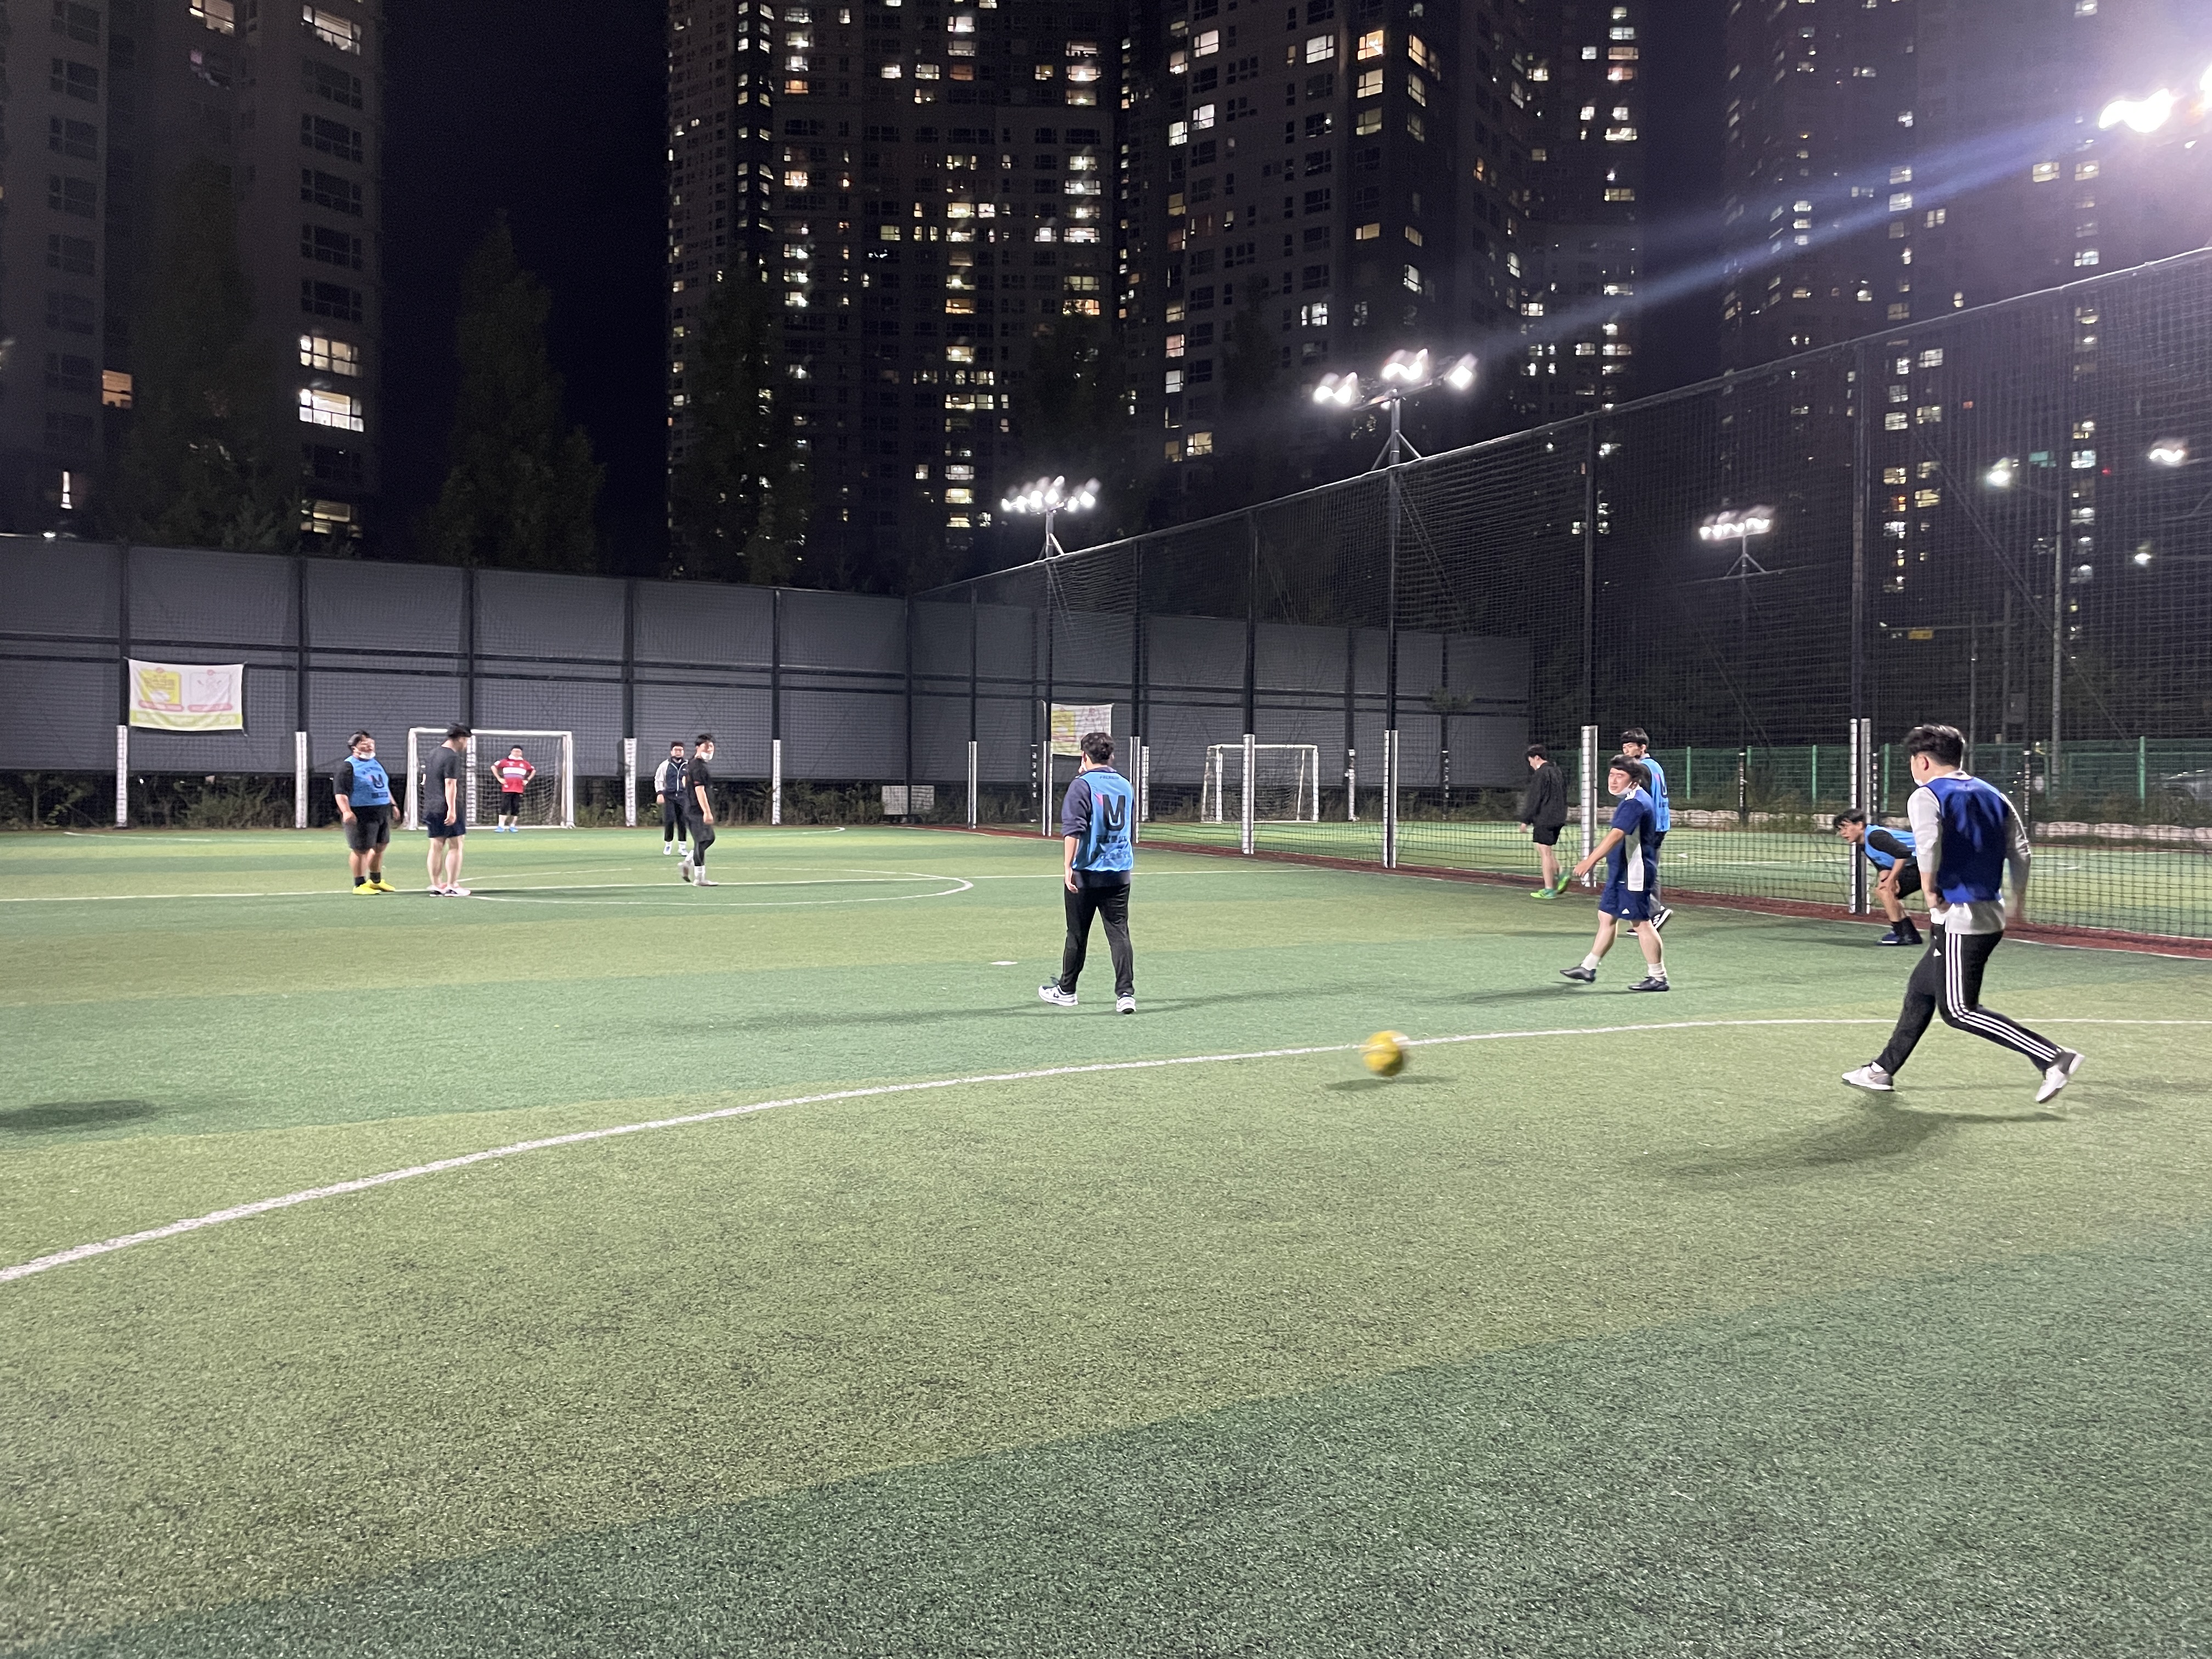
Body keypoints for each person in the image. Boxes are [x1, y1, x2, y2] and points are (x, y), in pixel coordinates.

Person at [1842, 724, 2083, 1104]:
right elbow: (2021, 850)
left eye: (1912, 760)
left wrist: (1929, 889)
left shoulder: (1926, 795)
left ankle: (2053, 1057)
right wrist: (2018, 901)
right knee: (1921, 988)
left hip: (1961, 915)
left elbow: (1928, 845)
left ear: (1922, 761)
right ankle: (1881, 1070)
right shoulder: (1993, 793)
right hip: (1987, 912)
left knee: (1958, 1010)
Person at [1039, 730, 1137, 1013]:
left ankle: (1067, 991)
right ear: (1111, 756)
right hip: (1119, 871)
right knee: (1119, 932)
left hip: (1087, 871)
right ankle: (1125, 994)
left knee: (1077, 934)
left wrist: (1068, 866)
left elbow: (1074, 830)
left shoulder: (1081, 785)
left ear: (1084, 756)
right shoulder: (1125, 785)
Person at [1558, 755, 1669, 991]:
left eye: (1620, 776)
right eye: (1612, 775)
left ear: (1634, 780)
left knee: (1641, 923)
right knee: (1606, 916)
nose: (1614, 780)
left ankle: (1658, 978)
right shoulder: (1631, 798)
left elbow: (1616, 835)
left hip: (1634, 874)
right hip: (1621, 872)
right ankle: (1588, 967)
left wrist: (1590, 861)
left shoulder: (1635, 803)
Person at [1833, 808, 1923, 946]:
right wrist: (1885, 882)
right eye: (1840, 830)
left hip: (1934, 862)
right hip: (1918, 865)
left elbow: (1903, 854)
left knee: (1887, 891)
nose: (1842, 833)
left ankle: (1901, 934)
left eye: (1845, 828)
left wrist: (1892, 880)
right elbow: (1883, 866)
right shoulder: (1863, 843)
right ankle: (1908, 934)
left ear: (1860, 825)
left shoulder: (1876, 837)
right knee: (1883, 891)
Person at [1619, 727, 1672, 930]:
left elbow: (1642, 801)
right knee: (1647, 870)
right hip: (1661, 824)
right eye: (1624, 747)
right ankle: (1650, 917)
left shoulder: (1641, 769)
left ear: (1642, 748)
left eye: (1630, 746)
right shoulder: (1655, 766)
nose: (1626, 750)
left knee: (1638, 871)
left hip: (1649, 828)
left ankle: (1655, 911)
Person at [333, 730, 396, 893]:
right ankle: (359, 884)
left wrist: (393, 805)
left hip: (381, 811)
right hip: (362, 812)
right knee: (360, 849)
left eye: (371, 743)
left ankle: (375, 880)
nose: (369, 746)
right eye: (364, 743)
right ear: (354, 747)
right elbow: (340, 793)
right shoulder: (348, 766)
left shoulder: (375, 763)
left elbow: (383, 786)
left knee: (380, 846)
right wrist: (347, 812)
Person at [424, 723, 471, 896]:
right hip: (446, 805)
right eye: (466, 741)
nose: (466, 745)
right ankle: (452, 886)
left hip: (431, 805)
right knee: (456, 845)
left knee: (436, 846)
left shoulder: (433, 754)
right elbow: (450, 783)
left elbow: (426, 780)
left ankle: (436, 885)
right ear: (461, 739)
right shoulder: (452, 757)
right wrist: (452, 810)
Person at [1518, 743, 1568, 896]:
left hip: (1545, 817)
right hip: (1559, 817)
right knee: (1544, 848)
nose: (1531, 765)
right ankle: (1561, 873)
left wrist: (1526, 820)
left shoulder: (1541, 774)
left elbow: (1535, 798)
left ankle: (1549, 889)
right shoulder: (1557, 771)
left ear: (1537, 758)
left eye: (1531, 761)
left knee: (1545, 853)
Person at [679, 733, 718, 887]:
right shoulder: (699, 767)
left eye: (712, 747)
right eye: (706, 746)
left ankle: (687, 863)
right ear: (698, 747)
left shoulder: (691, 763)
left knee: (708, 838)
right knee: (703, 840)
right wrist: (707, 812)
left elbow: (684, 781)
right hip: (696, 810)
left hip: (690, 807)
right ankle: (699, 878)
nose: (710, 750)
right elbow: (699, 790)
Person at [654, 741, 690, 856]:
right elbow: (658, 780)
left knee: (682, 821)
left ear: (683, 752)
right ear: (671, 752)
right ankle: (668, 845)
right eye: (676, 750)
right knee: (669, 820)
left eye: (680, 750)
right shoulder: (665, 765)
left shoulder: (688, 765)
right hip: (669, 797)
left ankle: (682, 847)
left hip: (683, 797)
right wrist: (660, 793)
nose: (678, 752)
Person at [490, 745, 535, 832]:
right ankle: (501, 826)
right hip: (507, 789)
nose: (517, 753)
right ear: (511, 752)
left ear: (521, 753)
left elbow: (533, 770)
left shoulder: (525, 763)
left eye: (519, 752)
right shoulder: (505, 761)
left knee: (516, 808)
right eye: (515, 751)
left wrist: (527, 780)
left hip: (519, 789)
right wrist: (499, 778)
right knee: (504, 807)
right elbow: (493, 767)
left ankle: (512, 826)